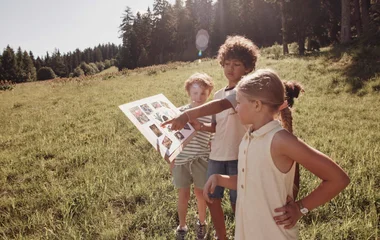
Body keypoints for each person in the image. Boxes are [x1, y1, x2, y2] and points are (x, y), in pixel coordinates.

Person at [203, 69, 350, 240]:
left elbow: (338, 178)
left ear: (256, 105)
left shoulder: (280, 140)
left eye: (239, 103)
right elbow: (250, 182)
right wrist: (219, 178)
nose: (236, 108)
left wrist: (300, 207)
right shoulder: (248, 137)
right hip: (248, 232)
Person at [163, 35, 259, 240]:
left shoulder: (246, 91)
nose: (230, 69)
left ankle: (242, 234)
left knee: (236, 200)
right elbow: (216, 125)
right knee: (211, 198)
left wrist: (189, 115)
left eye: (237, 64)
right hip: (216, 155)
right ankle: (221, 236)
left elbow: (223, 105)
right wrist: (201, 126)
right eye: (226, 64)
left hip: (237, 155)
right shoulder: (218, 94)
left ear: (248, 67)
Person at [171, 73, 215, 240]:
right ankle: (182, 225)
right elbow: (171, 138)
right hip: (181, 160)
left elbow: (214, 134)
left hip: (201, 159)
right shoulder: (180, 112)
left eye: (203, 93)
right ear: (188, 93)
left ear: (209, 94)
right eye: (195, 93)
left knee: (200, 193)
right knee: (183, 194)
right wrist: (171, 159)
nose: (199, 97)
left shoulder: (211, 113)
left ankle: (201, 223)